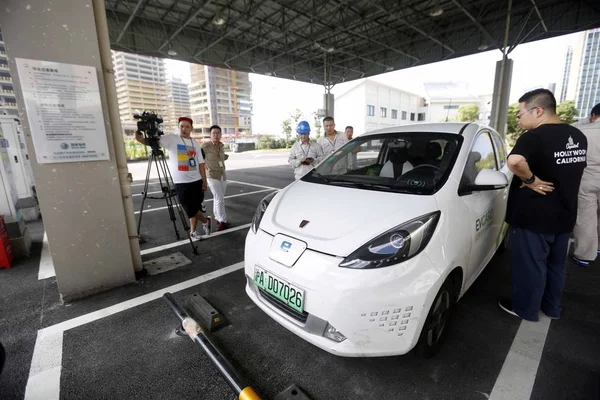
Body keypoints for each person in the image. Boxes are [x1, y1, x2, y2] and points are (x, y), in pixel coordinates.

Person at [500, 89, 587, 321]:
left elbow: (515, 161)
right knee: (556, 267)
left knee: (531, 267)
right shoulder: (577, 136)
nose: (518, 119)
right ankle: (552, 308)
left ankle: (526, 309)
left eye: (520, 114)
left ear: (538, 111)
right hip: (565, 214)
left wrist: (530, 180)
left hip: (535, 217)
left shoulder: (534, 137)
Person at [135, 116, 211, 240]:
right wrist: (141, 139)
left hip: (196, 180)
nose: (184, 129)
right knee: (189, 208)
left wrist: (204, 181)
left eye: (187, 126)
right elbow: (152, 141)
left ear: (191, 128)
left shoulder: (195, 144)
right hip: (181, 182)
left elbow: (201, 164)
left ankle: (193, 232)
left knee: (195, 207)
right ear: (178, 127)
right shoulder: (172, 139)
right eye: (181, 126)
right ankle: (206, 221)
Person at [572, 103, 600, 266]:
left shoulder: (582, 131)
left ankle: (585, 255)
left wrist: (587, 121)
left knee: (586, 216)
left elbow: (567, 127)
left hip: (587, 177)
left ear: (593, 116)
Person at [202, 125, 230, 231]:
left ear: (221, 134)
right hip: (212, 176)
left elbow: (222, 157)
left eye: (218, 133)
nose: (216, 135)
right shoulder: (205, 147)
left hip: (223, 175)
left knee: (217, 198)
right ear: (210, 134)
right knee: (220, 199)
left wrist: (225, 157)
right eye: (214, 133)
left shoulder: (222, 146)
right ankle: (223, 221)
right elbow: (199, 160)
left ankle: (218, 218)